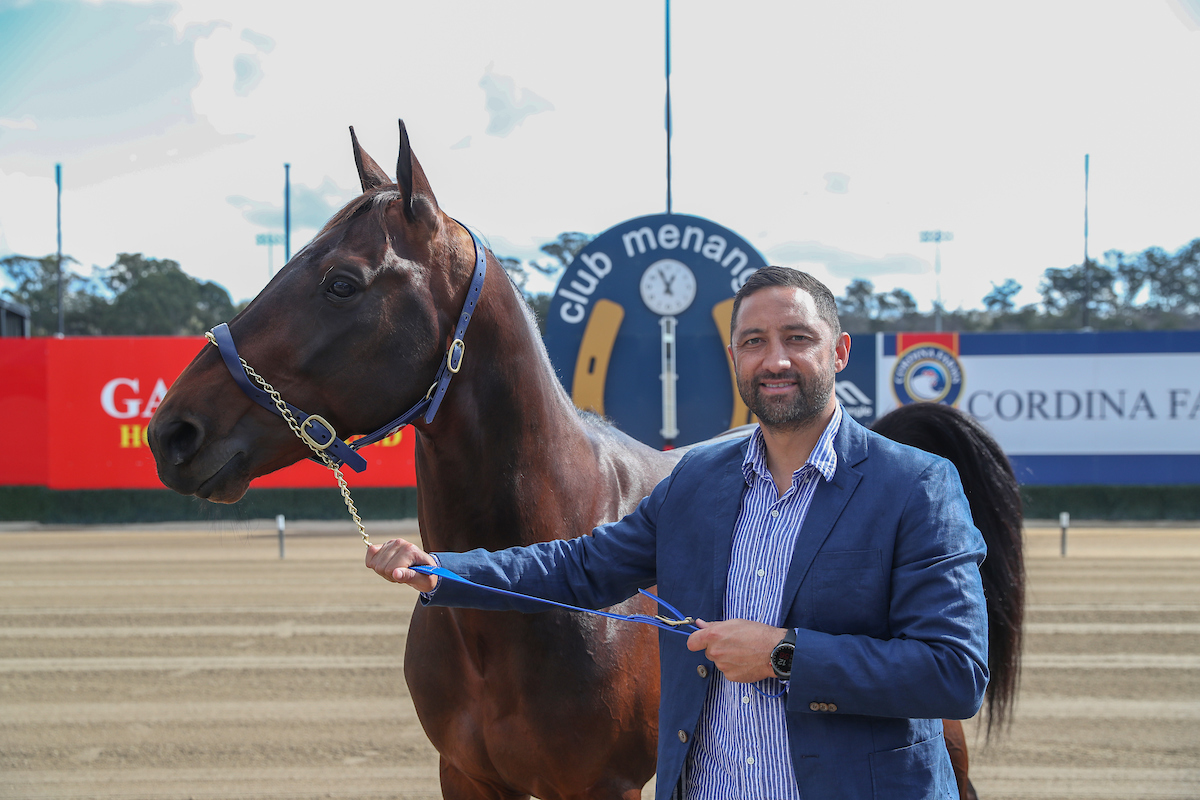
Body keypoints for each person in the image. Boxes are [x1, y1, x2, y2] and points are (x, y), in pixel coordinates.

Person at [367, 266, 989, 800]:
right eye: (754, 342)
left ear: (840, 351)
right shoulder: (698, 482)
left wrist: (784, 655)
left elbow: (955, 673)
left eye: (798, 338)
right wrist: (443, 570)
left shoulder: (917, 485)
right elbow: (580, 568)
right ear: (734, 361)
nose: (775, 359)